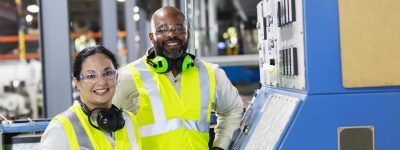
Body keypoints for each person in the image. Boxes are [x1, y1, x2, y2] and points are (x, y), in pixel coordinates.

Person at [113, 6, 244, 150]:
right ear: (151, 37)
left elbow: (233, 109)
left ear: (187, 34)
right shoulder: (128, 77)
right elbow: (103, 125)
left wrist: (220, 146)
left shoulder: (210, 73)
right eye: (162, 29)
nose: (171, 34)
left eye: (178, 28)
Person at [40, 45, 141, 150]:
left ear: (116, 77)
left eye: (108, 73)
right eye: (91, 76)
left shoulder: (129, 121)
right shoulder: (61, 129)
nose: (101, 82)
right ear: (77, 82)